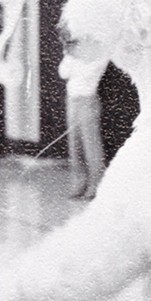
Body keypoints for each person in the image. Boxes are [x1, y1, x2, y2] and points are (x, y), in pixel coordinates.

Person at [58, 32, 107, 199]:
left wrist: (76, 57)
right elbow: (63, 73)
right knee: (75, 145)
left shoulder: (100, 50)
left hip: (87, 100)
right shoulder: (74, 51)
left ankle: (96, 185)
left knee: (90, 145)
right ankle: (80, 182)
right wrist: (71, 55)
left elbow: (90, 73)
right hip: (72, 100)